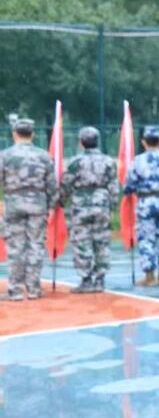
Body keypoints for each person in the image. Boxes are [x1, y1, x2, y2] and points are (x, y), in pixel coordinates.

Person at [0, 118, 57, 300]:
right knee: (36, 245)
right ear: (32, 134)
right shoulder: (44, 156)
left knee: (15, 247)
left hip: (13, 203)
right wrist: (52, 205)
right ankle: (33, 289)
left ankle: (15, 290)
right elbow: (52, 184)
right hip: (38, 204)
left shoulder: (5, 155)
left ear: (14, 134)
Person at [59, 126, 120, 293]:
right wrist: (113, 205)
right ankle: (100, 279)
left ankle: (86, 279)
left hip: (81, 204)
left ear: (81, 142)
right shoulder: (108, 161)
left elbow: (66, 184)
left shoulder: (75, 162)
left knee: (81, 242)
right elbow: (114, 185)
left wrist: (60, 201)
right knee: (102, 242)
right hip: (102, 203)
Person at [123, 125, 159, 287]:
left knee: (146, 239)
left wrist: (128, 190)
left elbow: (129, 186)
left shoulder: (138, 161)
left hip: (146, 203)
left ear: (143, 142)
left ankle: (149, 276)